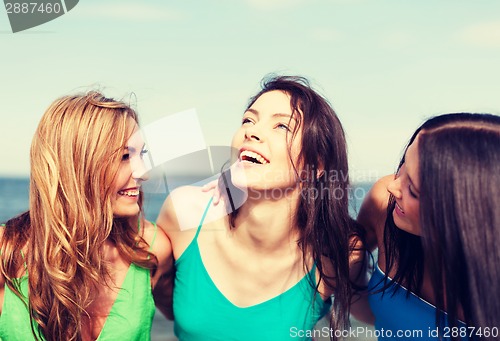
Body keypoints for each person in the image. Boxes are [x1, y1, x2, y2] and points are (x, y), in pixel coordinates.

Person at [157, 75, 364, 340]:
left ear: (316, 166)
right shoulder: (185, 211)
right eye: (248, 119)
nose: (251, 131)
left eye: (281, 126)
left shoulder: (338, 253)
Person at [0, 92, 172, 341]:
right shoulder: (7, 253)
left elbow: (196, 321)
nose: (143, 173)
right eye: (124, 156)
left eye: (140, 154)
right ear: (77, 164)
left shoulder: (151, 249)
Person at [355, 113, 500, 340]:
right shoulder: (384, 204)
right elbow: (374, 314)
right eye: (402, 166)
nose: (393, 187)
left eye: (412, 189)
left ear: (465, 210)